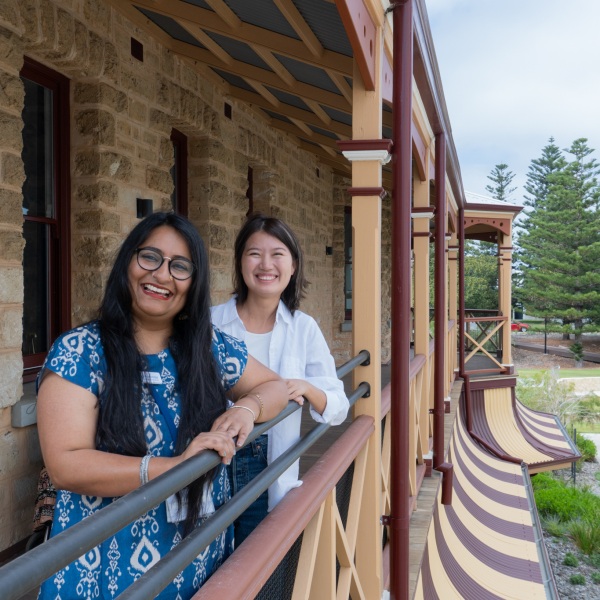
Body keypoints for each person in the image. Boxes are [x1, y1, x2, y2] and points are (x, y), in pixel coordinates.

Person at [36, 212, 288, 600]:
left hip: (202, 566)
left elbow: (274, 386)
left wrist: (246, 409)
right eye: (150, 257)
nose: (161, 275)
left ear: (194, 284)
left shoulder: (207, 347)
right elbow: (65, 464)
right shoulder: (81, 350)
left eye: (180, 266)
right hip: (107, 574)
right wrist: (173, 471)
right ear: (128, 264)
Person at [211, 213, 349, 544]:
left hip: (268, 465)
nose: (265, 264)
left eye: (277, 254)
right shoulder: (210, 322)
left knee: (255, 562)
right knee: (209, 565)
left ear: (293, 266)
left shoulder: (303, 328)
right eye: (254, 253)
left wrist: (308, 388)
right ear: (240, 263)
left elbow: (339, 407)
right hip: (210, 461)